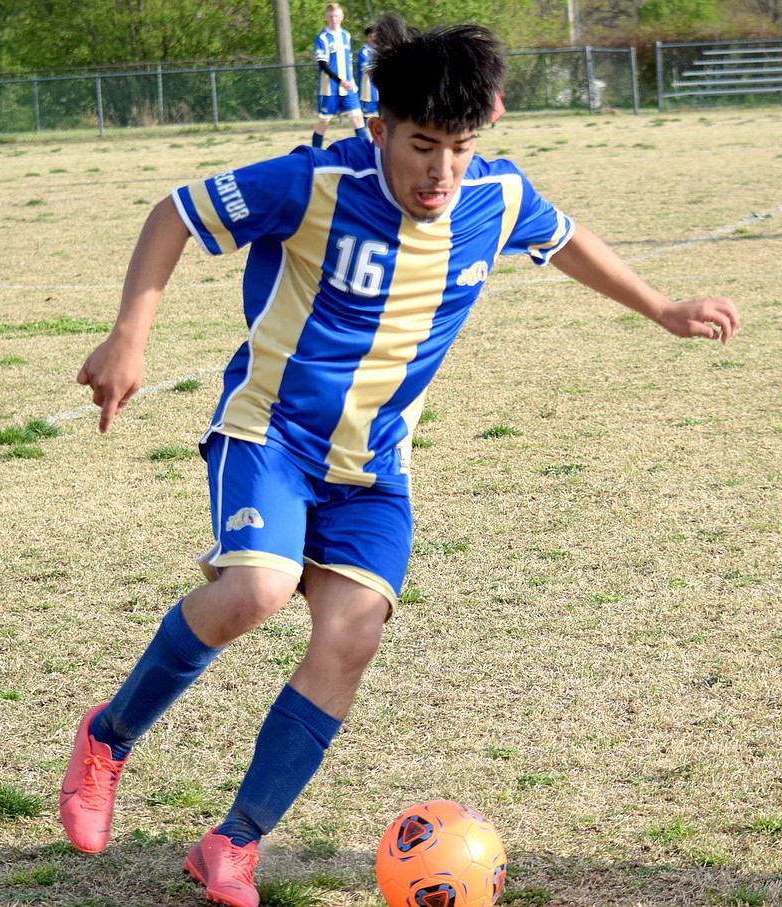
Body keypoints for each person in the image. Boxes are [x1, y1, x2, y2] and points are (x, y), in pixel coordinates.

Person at [60, 13, 739, 907]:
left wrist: (661, 307)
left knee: (353, 633)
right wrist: (128, 337)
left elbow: (565, 237)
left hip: (375, 467)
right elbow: (175, 214)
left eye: (460, 147)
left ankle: (232, 841)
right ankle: (108, 737)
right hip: (270, 433)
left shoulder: (493, 198)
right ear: (378, 128)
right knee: (257, 589)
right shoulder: (315, 183)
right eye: (423, 146)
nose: (442, 172)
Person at [311, 2, 368, 147]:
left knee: (357, 119)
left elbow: (348, 62)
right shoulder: (323, 38)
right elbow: (323, 64)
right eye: (330, 16)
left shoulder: (346, 35)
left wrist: (349, 81)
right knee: (324, 122)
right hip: (330, 89)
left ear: (342, 17)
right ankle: (314, 154)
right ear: (326, 17)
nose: (333, 19)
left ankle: (368, 154)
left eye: (336, 16)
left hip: (348, 87)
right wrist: (339, 80)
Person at [355, 26, 378, 125]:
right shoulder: (364, 52)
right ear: (367, 37)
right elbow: (369, 70)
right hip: (368, 92)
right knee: (367, 119)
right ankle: (364, 139)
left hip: (380, 92)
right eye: (371, 36)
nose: (374, 39)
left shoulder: (380, 51)